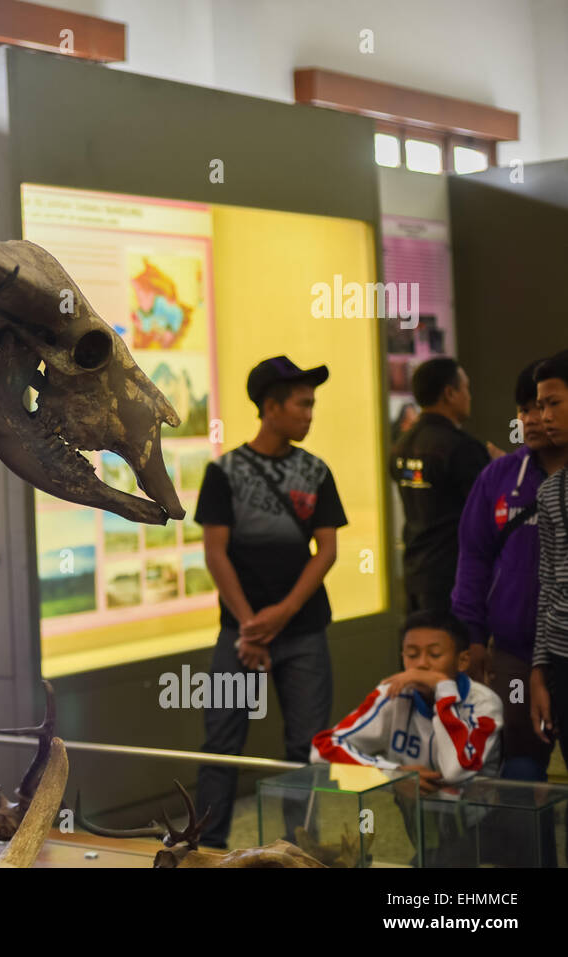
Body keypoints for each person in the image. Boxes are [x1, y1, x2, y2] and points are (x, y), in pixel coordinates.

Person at [193, 356, 347, 848]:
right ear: (271, 407)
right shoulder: (224, 472)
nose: (309, 414)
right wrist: (248, 625)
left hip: (302, 633)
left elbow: (327, 550)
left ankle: (297, 849)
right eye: (302, 404)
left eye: (311, 405)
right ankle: (207, 848)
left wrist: (280, 616)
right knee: (223, 745)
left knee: (305, 748)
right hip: (239, 635)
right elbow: (215, 552)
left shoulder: (316, 471)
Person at [452, 359, 567, 780]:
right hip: (517, 652)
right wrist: (474, 636)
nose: (532, 419)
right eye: (525, 408)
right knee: (520, 765)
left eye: (544, 405)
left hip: (564, 646)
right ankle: (530, 849)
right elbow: (473, 558)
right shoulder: (499, 477)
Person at [311, 610, 503, 786]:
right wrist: (393, 773)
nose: (421, 664)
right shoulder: (393, 692)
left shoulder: (485, 703)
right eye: (412, 655)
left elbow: (456, 771)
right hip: (411, 814)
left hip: (475, 816)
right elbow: (321, 749)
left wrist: (444, 689)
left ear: (462, 661)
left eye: (434, 655)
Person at [391, 358, 492, 614]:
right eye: (466, 388)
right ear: (450, 393)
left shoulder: (400, 446)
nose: (469, 396)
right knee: (450, 650)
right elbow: (485, 517)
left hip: (414, 571)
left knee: (421, 649)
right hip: (452, 577)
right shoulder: (461, 448)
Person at [530, 351, 568, 771]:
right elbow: (548, 586)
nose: (543, 416)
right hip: (562, 659)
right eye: (539, 406)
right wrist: (539, 672)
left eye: (553, 402)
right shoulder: (551, 492)